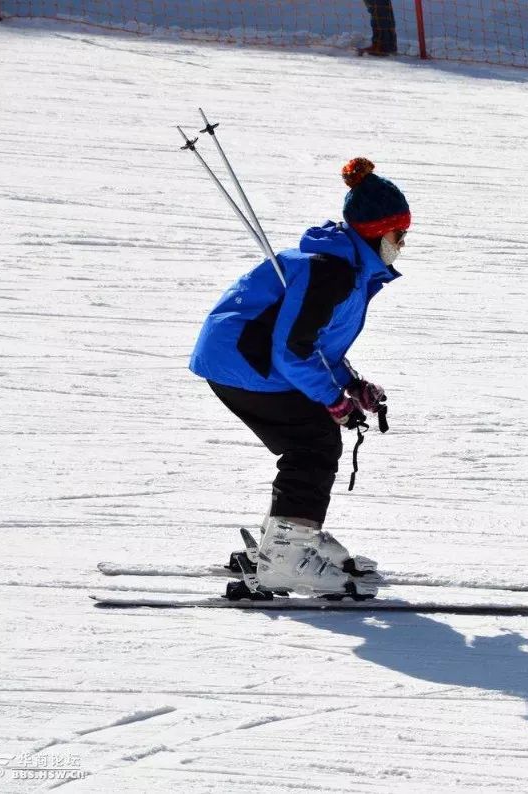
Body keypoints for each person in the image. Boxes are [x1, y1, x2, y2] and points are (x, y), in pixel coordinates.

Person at [188, 157, 410, 596]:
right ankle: (288, 556)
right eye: (398, 234)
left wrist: (350, 384)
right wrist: (332, 400)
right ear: (375, 232)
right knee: (314, 442)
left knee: (310, 442)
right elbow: (291, 351)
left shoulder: (344, 268)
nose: (402, 243)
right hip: (248, 364)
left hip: (244, 361)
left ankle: (284, 540)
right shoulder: (332, 273)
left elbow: (314, 343)